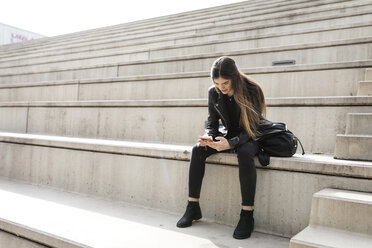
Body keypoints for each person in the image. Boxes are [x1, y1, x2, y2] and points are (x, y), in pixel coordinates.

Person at [176, 56, 267, 239]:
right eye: (217, 83)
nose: (221, 87)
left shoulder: (252, 90)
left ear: (234, 77)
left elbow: (253, 127)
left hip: (251, 135)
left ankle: (247, 215)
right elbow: (212, 122)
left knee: (244, 152)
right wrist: (209, 136)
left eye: (225, 82)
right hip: (229, 135)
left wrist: (231, 143)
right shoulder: (214, 92)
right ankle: (193, 207)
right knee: (197, 149)